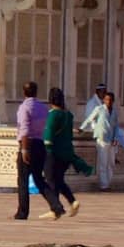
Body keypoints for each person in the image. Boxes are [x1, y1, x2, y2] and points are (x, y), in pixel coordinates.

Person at [12, 82, 64, 220]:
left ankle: (22, 212)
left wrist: (24, 150)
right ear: (36, 92)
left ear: (24, 92)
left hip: (28, 145)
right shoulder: (43, 108)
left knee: (23, 180)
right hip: (40, 145)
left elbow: (24, 129)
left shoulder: (24, 108)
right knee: (39, 179)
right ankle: (56, 205)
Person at [43, 88, 92, 218]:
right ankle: (72, 201)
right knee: (58, 180)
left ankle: (56, 209)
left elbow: (48, 136)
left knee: (51, 179)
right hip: (67, 153)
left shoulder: (53, 114)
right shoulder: (68, 115)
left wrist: (44, 150)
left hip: (54, 153)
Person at [81, 90, 121, 191]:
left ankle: (108, 182)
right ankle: (104, 185)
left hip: (112, 140)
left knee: (111, 163)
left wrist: (116, 138)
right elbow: (90, 119)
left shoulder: (115, 111)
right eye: (107, 99)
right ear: (104, 100)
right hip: (102, 139)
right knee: (103, 163)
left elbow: (116, 126)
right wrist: (82, 128)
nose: (108, 101)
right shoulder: (99, 109)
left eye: (110, 100)